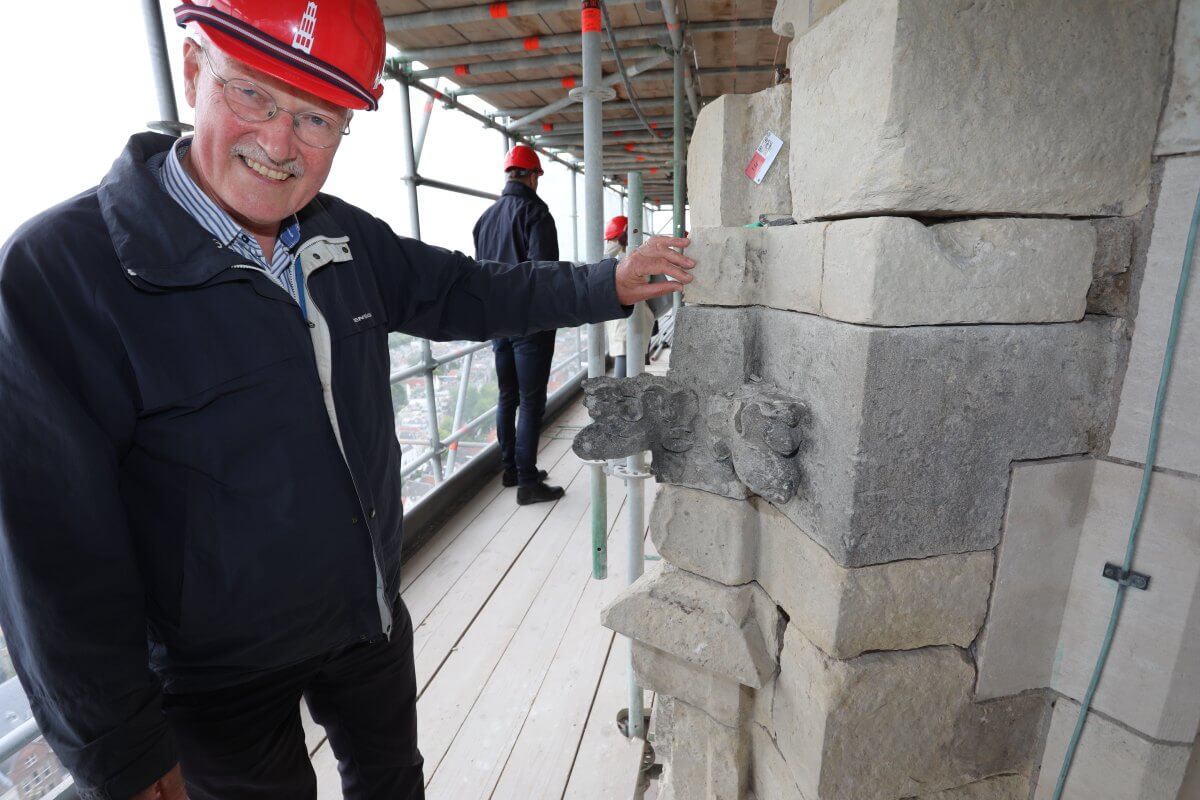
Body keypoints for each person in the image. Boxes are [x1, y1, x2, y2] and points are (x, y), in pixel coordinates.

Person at [0, 2, 694, 799]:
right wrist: (120, 750)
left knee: (394, 784)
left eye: (316, 118)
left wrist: (608, 280)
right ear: (193, 69)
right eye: (252, 94)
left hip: (364, 616)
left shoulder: (343, 238)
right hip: (213, 684)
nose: (278, 143)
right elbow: (52, 552)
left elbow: (467, 288)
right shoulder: (59, 277)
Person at [472, 145, 564, 505]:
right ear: (533, 175)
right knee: (530, 401)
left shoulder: (485, 219)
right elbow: (546, 273)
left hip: (498, 324)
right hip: (529, 324)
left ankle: (511, 468)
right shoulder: (535, 213)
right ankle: (528, 481)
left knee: (506, 396)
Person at [603, 215, 655, 377]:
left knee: (627, 359)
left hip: (630, 314)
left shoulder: (635, 253)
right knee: (626, 358)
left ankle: (623, 400)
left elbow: (644, 278)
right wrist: (619, 243)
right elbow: (601, 261)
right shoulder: (620, 252)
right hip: (625, 314)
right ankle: (625, 399)